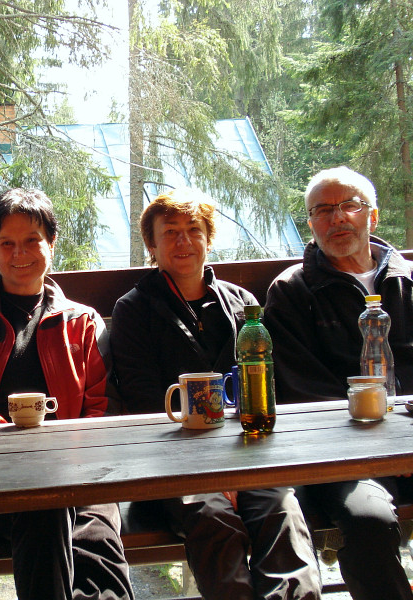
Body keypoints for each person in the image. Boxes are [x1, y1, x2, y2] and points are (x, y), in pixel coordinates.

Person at [109, 188, 321, 600]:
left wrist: (238, 469)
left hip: (248, 454)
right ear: (151, 245)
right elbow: (144, 402)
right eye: (170, 232)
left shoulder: (242, 304)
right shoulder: (134, 309)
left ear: (208, 238)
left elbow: (264, 387)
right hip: (174, 466)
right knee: (214, 519)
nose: (184, 241)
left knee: (281, 513)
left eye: (194, 229)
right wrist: (211, 471)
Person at [0, 188, 134, 600]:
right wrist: (35, 464)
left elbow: (102, 408)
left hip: (81, 477)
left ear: (51, 244)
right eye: (6, 243)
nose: (19, 253)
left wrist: (65, 467)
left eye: (31, 240)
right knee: (44, 508)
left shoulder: (83, 322)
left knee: (97, 547)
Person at [264, 166, 413, 600]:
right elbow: (302, 389)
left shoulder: (407, 282)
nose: (337, 218)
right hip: (344, 456)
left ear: (373, 216)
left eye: (350, 205)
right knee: (366, 522)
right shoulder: (292, 292)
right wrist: (383, 443)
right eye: (323, 210)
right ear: (311, 223)